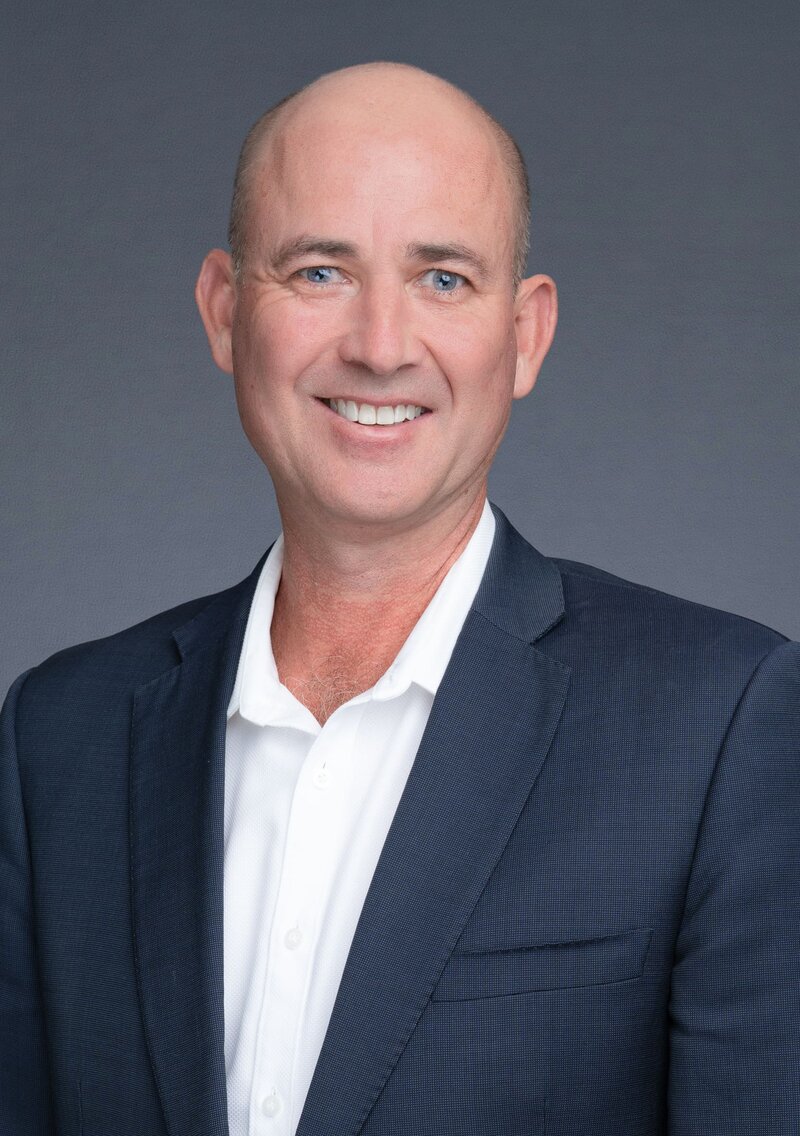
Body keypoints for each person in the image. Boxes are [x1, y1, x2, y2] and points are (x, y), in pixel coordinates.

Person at [2, 62, 798, 1136]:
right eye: (320, 271)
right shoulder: (59, 740)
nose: (380, 347)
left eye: (442, 279)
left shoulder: (717, 724)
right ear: (225, 313)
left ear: (523, 336)